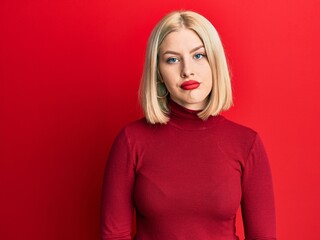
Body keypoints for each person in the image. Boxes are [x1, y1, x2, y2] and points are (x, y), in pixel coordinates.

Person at [101, 10, 276, 240]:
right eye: (172, 59)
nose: (187, 70)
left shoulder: (247, 143)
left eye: (198, 55)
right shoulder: (131, 140)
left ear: (215, 61)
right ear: (159, 73)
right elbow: (114, 236)